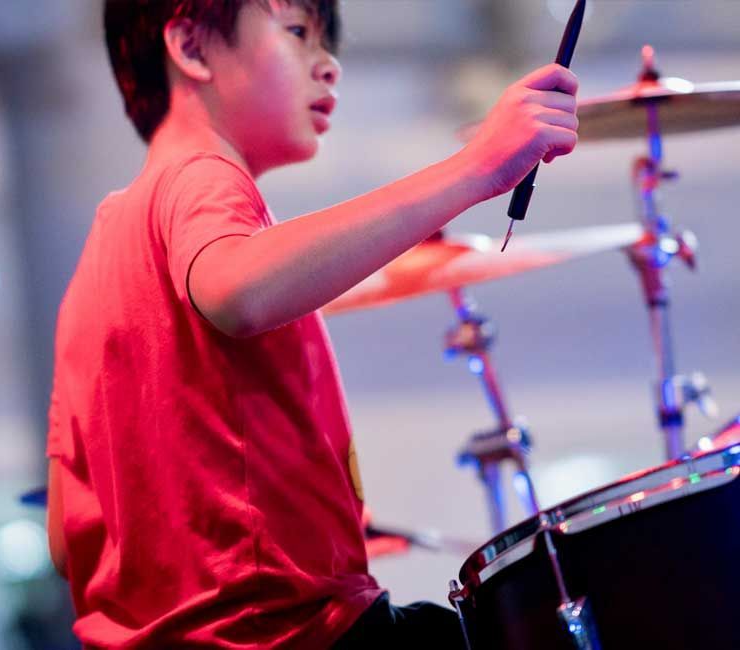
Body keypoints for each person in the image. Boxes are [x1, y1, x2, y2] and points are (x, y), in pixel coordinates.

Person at [45, 0, 579, 647]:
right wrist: (476, 169)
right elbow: (239, 290)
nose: (330, 67)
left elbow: (64, 536)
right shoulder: (204, 178)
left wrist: (286, 527)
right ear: (189, 45)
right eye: (299, 33)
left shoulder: (99, 252)